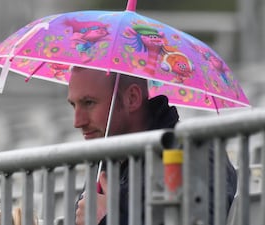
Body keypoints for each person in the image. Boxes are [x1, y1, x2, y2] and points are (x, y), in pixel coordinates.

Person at [66, 66, 237, 225]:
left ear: (132, 98)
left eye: (89, 103)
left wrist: (109, 219)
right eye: (74, 105)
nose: (77, 122)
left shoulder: (195, 151)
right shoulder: (105, 160)